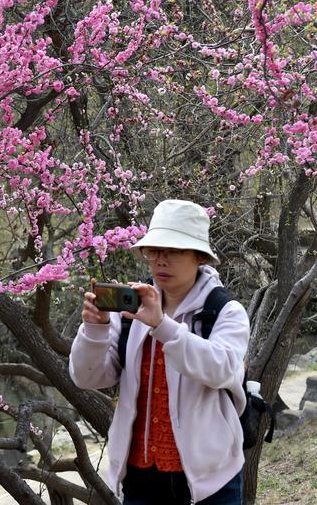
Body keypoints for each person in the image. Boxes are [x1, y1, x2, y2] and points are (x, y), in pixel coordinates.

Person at [69, 199, 250, 504]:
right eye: (154, 251)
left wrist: (163, 326)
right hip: (141, 478)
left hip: (211, 481)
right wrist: (95, 329)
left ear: (199, 257)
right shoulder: (132, 309)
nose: (161, 261)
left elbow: (223, 370)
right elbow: (87, 378)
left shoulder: (224, 310)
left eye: (174, 251)